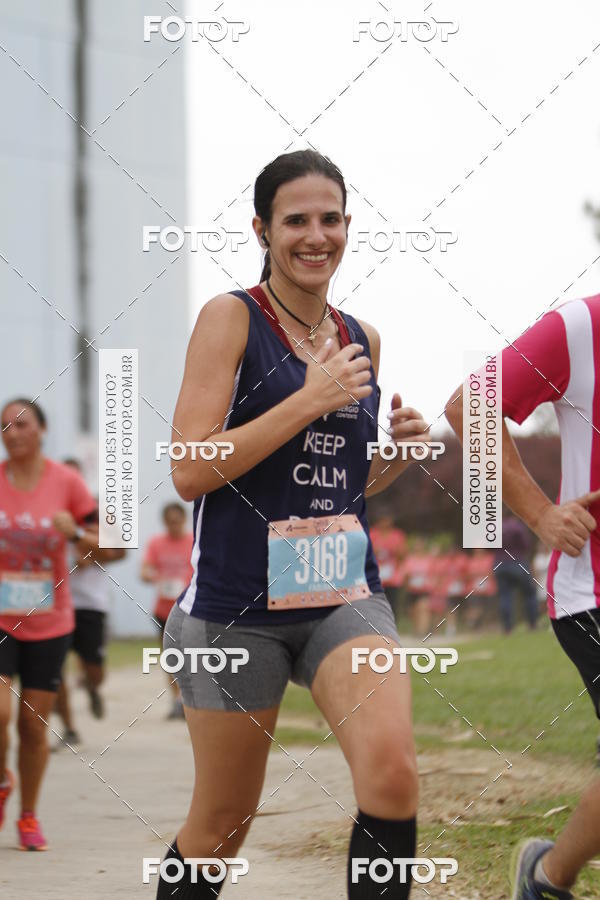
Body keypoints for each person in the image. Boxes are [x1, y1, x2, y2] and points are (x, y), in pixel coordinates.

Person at [155, 149, 432, 899]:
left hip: (341, 593)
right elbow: (188, 469)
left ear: (348, 226)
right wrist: (309, 398)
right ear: (262, 229)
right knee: (222, 823)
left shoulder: (360, 338)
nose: (317, 235)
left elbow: (333, 485)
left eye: (331, 218)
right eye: (296, 220)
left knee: (393, 774)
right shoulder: (230, 319)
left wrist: (398, 458)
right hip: (237, 608)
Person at [445, 293, 600, 900]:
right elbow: (469, 407)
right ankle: (547, 877)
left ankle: (549, 876)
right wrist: (541, 515)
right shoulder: (582, 326)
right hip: (592, 591)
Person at [0, 399, 97, 850]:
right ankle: (3, 779)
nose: (12, 432)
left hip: (50, 621)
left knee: (32, 727)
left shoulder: (68, 483)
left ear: (41, 429)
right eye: (5, 427)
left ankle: (28, 815)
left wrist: (75, 533)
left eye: (21, 424)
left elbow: (114, 545)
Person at [53, 459, 125, 748]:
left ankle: (93, 687)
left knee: (94, 668)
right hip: (55, 603)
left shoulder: (96, 512)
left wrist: (92, 555)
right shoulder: (46, 511)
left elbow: (120, 551)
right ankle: (69, 728)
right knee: (53, 672)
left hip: (91, 604)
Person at [141, 503, 193, 719]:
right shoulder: (156, 543)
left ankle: (191, 700)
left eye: (177, 520)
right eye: (169, 521)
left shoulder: (194, 541)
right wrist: (155, 577)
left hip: (190, 608)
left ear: (184, 520)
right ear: (164, 522)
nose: (174, 525)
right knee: (171, 657)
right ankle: (177, 700)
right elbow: (145, 570)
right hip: (164, 610)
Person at [494, 515, 538, 633]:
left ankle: (507, 628)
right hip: (517, 562)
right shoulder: (516, 526)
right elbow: (526, 544)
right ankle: (532, 624)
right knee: (529, 593)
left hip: (499, 564)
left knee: (505, 596)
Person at [369, 515, 406, 619]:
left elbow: (402, 554)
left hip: (392, 577)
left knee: (392, 602)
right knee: (375, 601)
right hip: (375, 575)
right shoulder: (372, 534)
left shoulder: (397, 535)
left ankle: (392, 625)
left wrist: (395, 552)